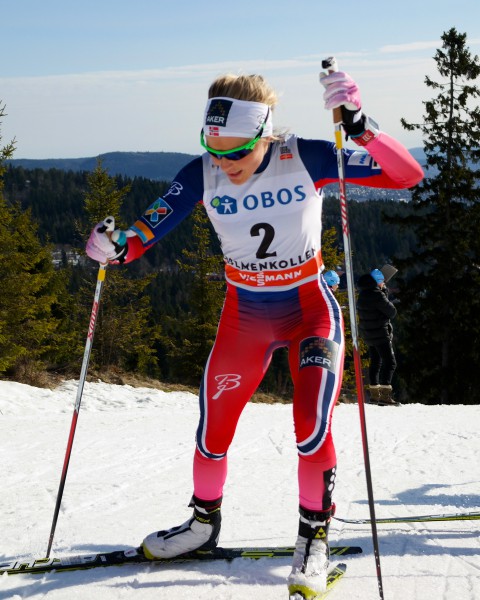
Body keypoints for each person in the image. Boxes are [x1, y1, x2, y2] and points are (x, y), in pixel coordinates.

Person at [86, 69, 423, 597]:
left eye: (236, 153)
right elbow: (146, 230)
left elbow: (406, 176)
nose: (225, 164)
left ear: (264, 135)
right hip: (244, 315)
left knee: (311, 428)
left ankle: (313, 538)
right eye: (214, 151)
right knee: (212, 430)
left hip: (310, 309)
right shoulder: (202, 173)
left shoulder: (305, 156)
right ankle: (201, 525)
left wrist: (361, 128)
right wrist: (116, 247)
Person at [357, 268, 398, 405]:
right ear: (378, 282)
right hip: (380, 333)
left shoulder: (362, 294)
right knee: (390, 362)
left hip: (368, 334)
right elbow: (392, 311)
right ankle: (385, 396)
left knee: (376, 362)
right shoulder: (377, 295)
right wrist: (384, 293)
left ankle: (374, 395)